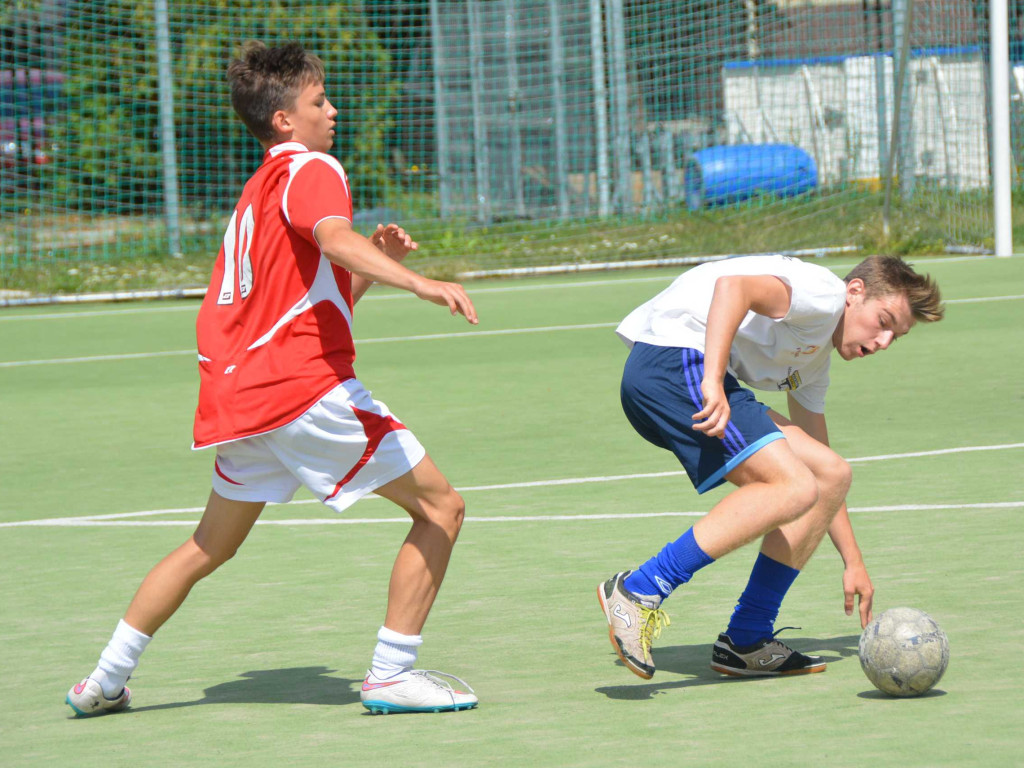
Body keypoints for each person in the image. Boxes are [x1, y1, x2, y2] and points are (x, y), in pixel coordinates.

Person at [67, 41, 479, 717]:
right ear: (285, 119)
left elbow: (319, 303)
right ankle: (390, 674)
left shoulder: (258, 192)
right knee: (442, 508)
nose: (333, 111)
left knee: (207, 547)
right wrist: (419, 281)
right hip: (299, 389)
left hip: (244, 400)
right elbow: (333, 236)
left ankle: (102, 681)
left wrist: (371, 262)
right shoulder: (313, 169)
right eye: (320, 100)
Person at [597, 253, 943, 680]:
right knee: (792, 486)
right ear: (855, 293)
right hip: (674, 360)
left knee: (829, 473)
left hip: (698, 374)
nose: (885, 341)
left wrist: (853, 561)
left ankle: (746, 639)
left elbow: (823, 463)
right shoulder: (823, 295)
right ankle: (639, 589)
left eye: (897, 336)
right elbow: (734, 287)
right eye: (884, 321)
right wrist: (710, 378)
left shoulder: (814, 363)